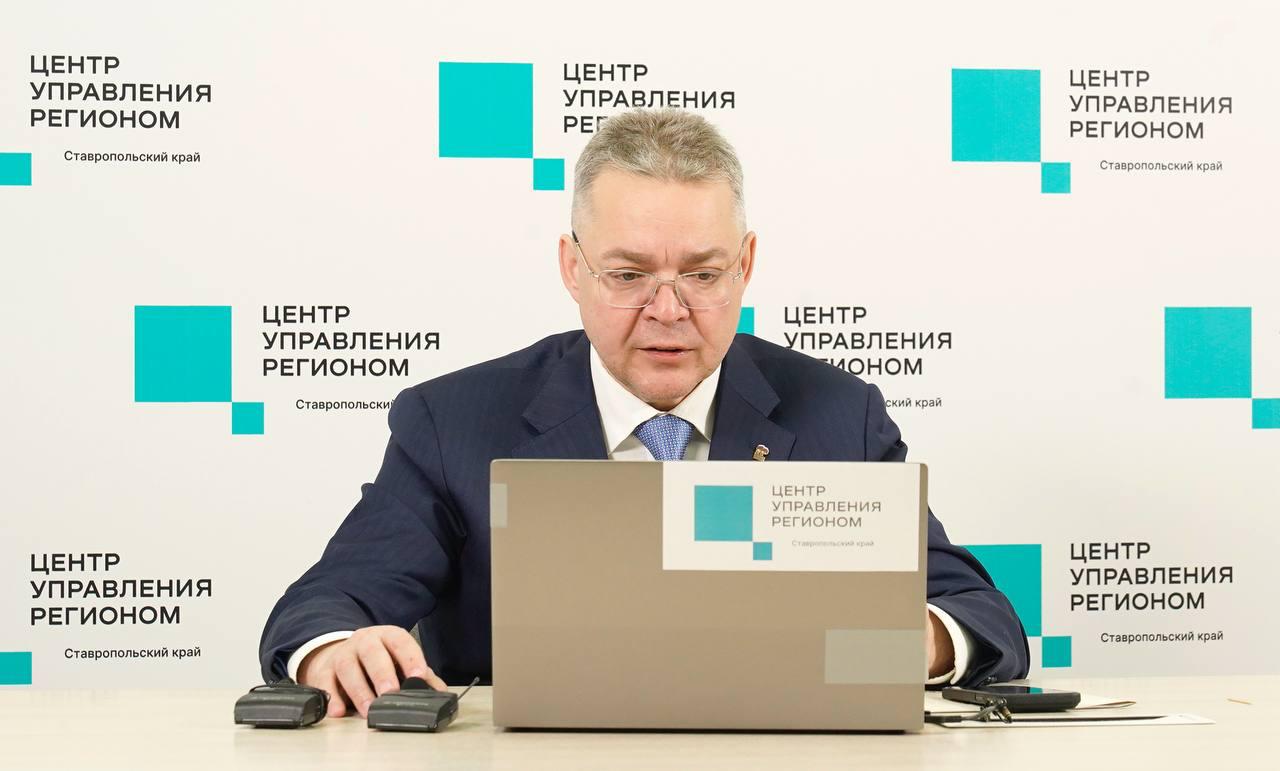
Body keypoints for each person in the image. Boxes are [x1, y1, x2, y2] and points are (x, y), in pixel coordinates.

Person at [259, 108, 1029, 718]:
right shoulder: (453, 420)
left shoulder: (839, 415)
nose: (668, 309)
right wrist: (335, 650)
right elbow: (323, 605)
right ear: (573, 268)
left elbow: (981, 614)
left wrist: (918, 643)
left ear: (746, 265)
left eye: (703, 274)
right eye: (628, 275)